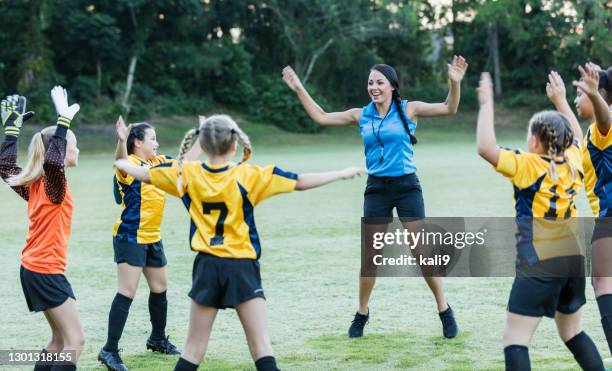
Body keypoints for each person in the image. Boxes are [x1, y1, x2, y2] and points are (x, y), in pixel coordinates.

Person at [114, 114, 366, 371]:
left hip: (206, 268)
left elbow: (132, 169)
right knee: (261, 348)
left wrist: (122, 148)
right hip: (241, 266)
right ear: (234, 144)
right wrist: (342, 173)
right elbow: (300, 182)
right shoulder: (249, 175)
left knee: (192, 350)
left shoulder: (185, 173)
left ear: (204, 144)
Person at [281, 56, 469, 338]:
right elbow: (320, 116)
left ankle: (444, 309)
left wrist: (454, 83)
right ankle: (362, 312)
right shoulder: (362, 114)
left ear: (392, 86)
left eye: (379, 82)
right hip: (377, 188)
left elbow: (448, 108)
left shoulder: (409, 109)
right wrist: (298, 88)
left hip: (407, 186)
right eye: (370, 82)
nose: (374, 87)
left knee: (421, 252)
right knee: (371, 257)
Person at [476, 70, 604, 371]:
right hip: (572, 260)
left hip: (539, 261)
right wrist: (560, 101)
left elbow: (485, 148)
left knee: (515, 340)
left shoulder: (528, 165)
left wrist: (485, 103)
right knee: (572, 332)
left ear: (535, 141)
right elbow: (573, 131)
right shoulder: (574, 160)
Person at [99, 116, 199, 371]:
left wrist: (204, 135)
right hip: (130, 236)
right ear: (138, 142)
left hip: (153, 236)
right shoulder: (130, 164)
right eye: (152, 138)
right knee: (127, 291)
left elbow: (186, 164)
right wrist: (121, 141)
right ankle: (109, 350)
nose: (157, 142)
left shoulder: (159, 162)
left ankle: (156, 339)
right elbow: (120, 161)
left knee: (160, 286)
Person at [0, 87, 85, 370]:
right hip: (45, 271)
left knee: (59, 342)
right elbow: (52, 161)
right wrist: (63, 123)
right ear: (61, 151)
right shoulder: (52, 185)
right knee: (76, 342)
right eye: (73, 144)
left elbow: (4, 166)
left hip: (34, 269)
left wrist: (11, 133)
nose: (77, 149)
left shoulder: (36, 183)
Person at [573, 64, 612, 360]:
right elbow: (581, 142)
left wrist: (595, 96)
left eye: (581, 93)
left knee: (602, 284)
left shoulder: (605, 126)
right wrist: (561, 100)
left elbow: (604, 119)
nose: (578, 98)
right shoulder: (593, 135)